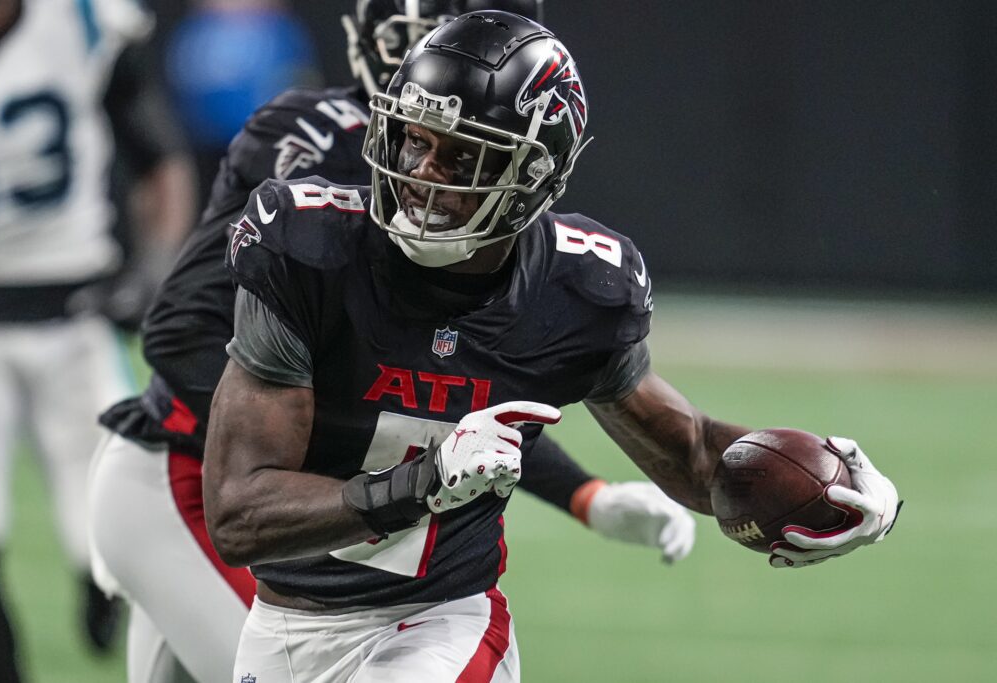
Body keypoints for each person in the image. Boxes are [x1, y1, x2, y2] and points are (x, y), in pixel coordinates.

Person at [205, 10, 902, 682]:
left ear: (532, 176)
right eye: (415, 139)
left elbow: (688, 450)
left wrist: (830, 489)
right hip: (281, 626)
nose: (424, 173)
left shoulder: (578, 289)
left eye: (462, 154)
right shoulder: (307, 248)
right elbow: (238, 513)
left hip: (435, 623)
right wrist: (422, 482)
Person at [87, 2, 694, 682]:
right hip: (188, 472)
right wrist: (345, 441)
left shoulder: (488, 204)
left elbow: (459, 393)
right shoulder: (318, 146)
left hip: (301, 517)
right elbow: (183, 334)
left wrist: (581, 493)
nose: (430, 172)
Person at [0, 0, 195, 680]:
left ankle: (94, 591)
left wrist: (154, 270)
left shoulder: (84, 22)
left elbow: (161, 160)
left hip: (74, 310)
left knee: (107, 521)